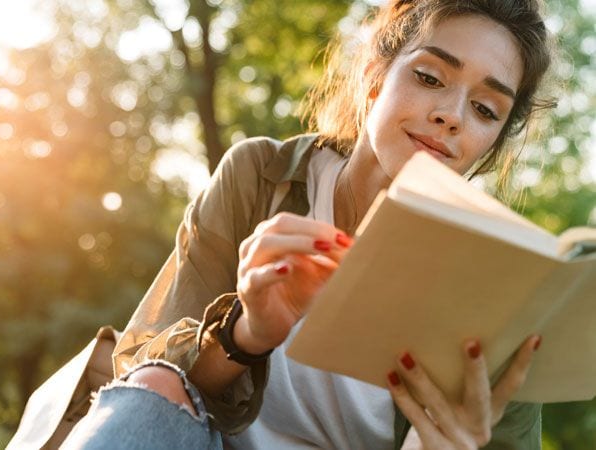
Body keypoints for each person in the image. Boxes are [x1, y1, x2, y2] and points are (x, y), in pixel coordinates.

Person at [61, 0, 554, 448]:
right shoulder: (259, 179)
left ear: (490, 144)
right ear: (374, 77)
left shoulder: (498, 288)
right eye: (430, 77)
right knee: (158, 382)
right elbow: (138, 375)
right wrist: (245, 333)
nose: (451, 116)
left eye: (485, 109)